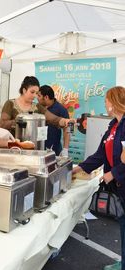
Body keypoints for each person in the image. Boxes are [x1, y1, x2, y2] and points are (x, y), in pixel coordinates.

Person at [72, 86, 125, 270]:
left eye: (107, 100)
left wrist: (113, 173)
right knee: (123, 224)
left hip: (120, 180)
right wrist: (79, 168)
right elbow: (101, 154)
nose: (105, 103)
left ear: (115, 101)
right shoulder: (114, 125)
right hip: (119, 185)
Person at [0, 76, 72, 137]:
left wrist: (65, 121)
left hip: (33, 147)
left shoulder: (37, 107)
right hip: (14, 147)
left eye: (36, 93)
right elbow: (2, 124)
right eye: (32, 92)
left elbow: (53, 119)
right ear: (24, 90)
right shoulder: (10, 104)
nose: (35, 96)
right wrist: (19, 121)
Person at [36, 85, 70, 156]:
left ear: (46, 97)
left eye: (39, 96)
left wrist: (65, 149)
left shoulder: (61, 110)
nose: (37, 98)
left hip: (54, 149)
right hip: (37, 147)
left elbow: (67, 129)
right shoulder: (37, 107)